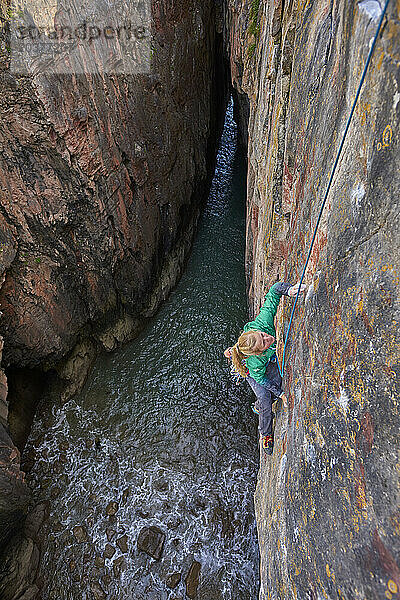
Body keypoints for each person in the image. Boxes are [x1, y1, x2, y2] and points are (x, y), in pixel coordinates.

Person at [224, 281, 306, 455]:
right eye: (264, 342)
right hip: (253, 373)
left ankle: (233, 351)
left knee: (277, 381)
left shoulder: (263, 324)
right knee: (266, 401)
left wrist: (289, 290)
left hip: (262, 359)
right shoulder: (254, 363)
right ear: (258, 352)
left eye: (263, 336)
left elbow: (274, 291)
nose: (268, 338)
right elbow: (262, 380)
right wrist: (281, 394)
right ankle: (265, 434)